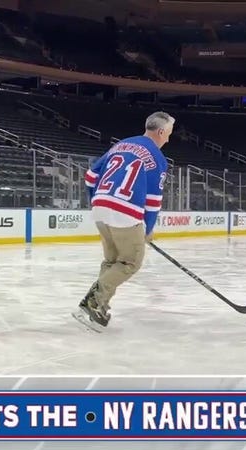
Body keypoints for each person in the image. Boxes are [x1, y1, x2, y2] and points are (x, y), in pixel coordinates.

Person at [77, 112, 173, 328]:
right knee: (130, 262)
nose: (168, 139)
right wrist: (147, 229)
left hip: (100, 207)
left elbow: (91, 176)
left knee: (112, 261)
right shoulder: (158, 158)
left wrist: (97, 200)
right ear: (160, 132)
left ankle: (99, 305)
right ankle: (93, 301)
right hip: (126, 211)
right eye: (168, 134)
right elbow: (153, 201)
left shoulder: (121, 145)